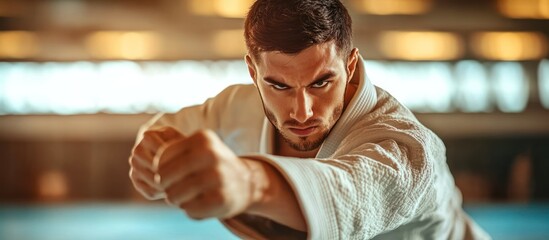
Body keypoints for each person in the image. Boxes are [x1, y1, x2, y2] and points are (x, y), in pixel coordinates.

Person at [128, 0, 490, 239]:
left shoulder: (408, 149)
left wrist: (252, 184)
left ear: (349, 66)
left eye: (321, 82)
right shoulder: (237, 108)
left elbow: (352, 194)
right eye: (278, 85)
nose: (301, 111)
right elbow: (166, 130)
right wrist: (155, 156)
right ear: (253, 71)